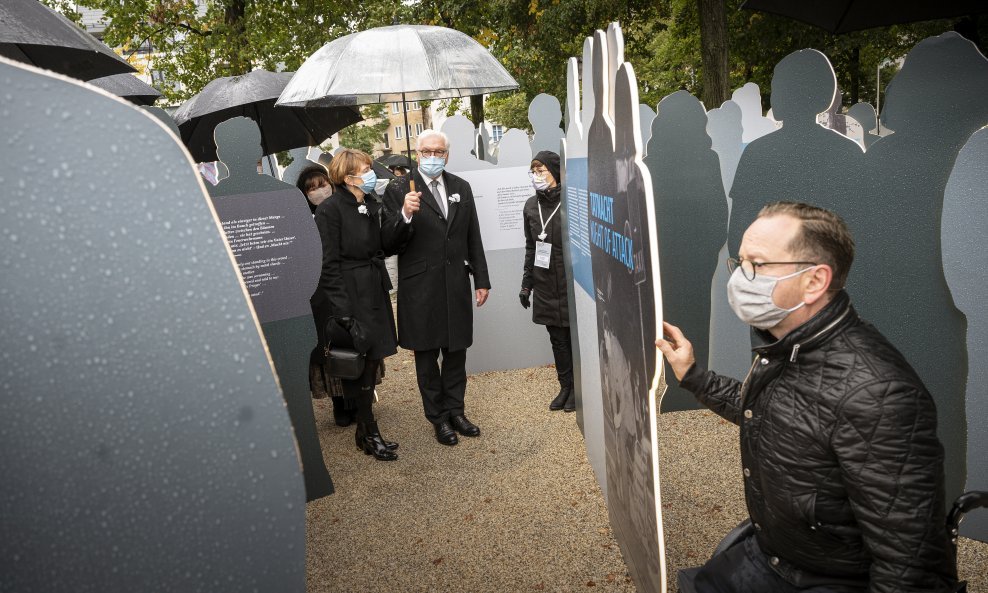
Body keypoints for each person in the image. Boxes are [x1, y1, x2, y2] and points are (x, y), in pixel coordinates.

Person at [656, 202, 957, 592]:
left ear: (814, 281)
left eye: (757, 265)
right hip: (773, 554)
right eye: (740, 262)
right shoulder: (790, 346)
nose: (741, 278)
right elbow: (774, 412)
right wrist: (693, 375)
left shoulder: (878, 393)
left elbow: (909, 561)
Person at [382, 129, 490, 447]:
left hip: (455, 282)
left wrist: (481, 279)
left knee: (456, 352)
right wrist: (405, 214)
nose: (433, 157)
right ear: (417, 154)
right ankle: (439, 418)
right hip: (421, 288)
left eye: (439, 151)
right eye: (427, 151)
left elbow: (473, 236)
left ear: (447, 154)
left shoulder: (460, 187)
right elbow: (388, 242)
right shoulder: (400, 189)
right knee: (427, 357)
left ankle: (456, 410)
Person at [313, 148, 401, 461]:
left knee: (374, 360)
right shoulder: (330, 210)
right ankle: (369, 431)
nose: (371, 173)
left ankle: (364, 433)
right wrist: (343, 312)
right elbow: (328, 264)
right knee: (360, 364)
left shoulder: (372, 203)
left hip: (373, 289)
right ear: (349, 177)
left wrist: (403, 218)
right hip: (350, 294)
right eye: (366, 169)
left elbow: (386, 246)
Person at [518, 150, 574, 412]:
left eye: (541, 171)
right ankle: (565, 386)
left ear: (556, 172)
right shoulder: (531, 206)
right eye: (533, 171)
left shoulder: (572, 200)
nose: (536, 176)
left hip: (570, 281)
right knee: (557, 338)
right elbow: (531, 247)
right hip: (544, 282)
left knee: (574, 336)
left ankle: (579, 388)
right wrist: (526, 284)